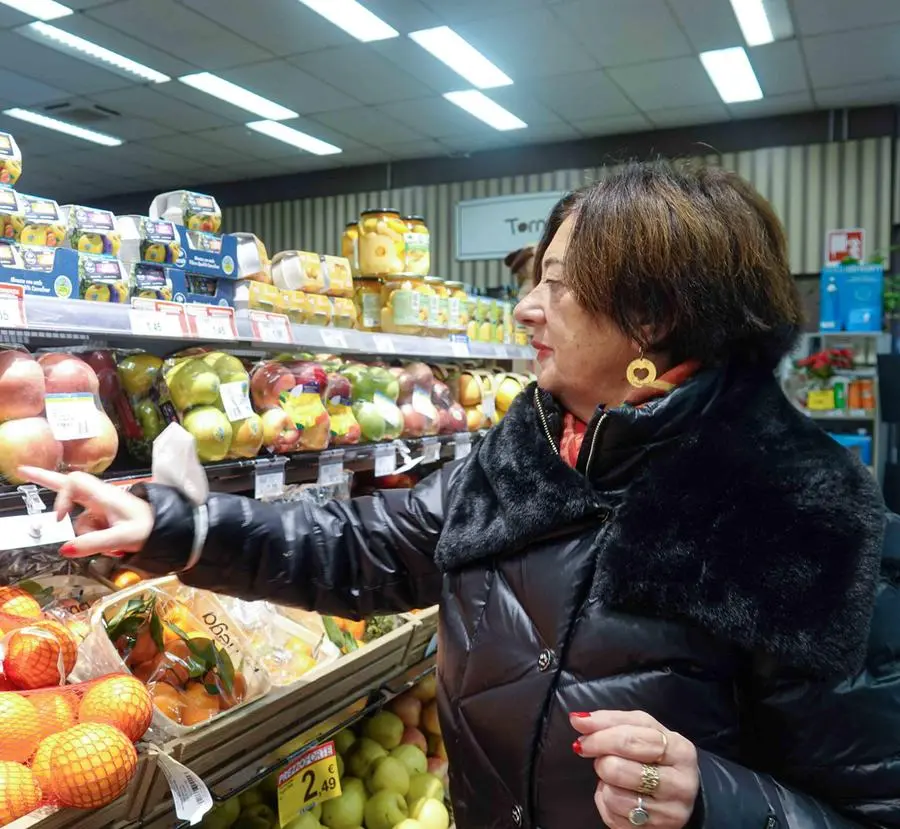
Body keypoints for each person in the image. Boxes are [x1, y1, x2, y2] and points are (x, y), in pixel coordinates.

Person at [23, 161, 900, 829]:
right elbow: (362, 546)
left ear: (654, 314)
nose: (525, 309)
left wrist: (716, 796)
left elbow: (867, 801)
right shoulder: (527, 452)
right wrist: (178, 527)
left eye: (555, 284)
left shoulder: (797, 509)